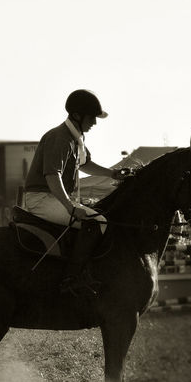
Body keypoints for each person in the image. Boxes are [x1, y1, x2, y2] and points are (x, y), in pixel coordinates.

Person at [24, 89, 130, 296]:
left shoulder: (75, 137)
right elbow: (52, 176)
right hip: (41, 199)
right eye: (92, 118)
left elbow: (86, 164)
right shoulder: (60, 137)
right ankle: (72, 278)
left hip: (51, 197)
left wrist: (113, 174)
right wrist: (70, 207)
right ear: (77, 115)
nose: (95, 123)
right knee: (96, 221)